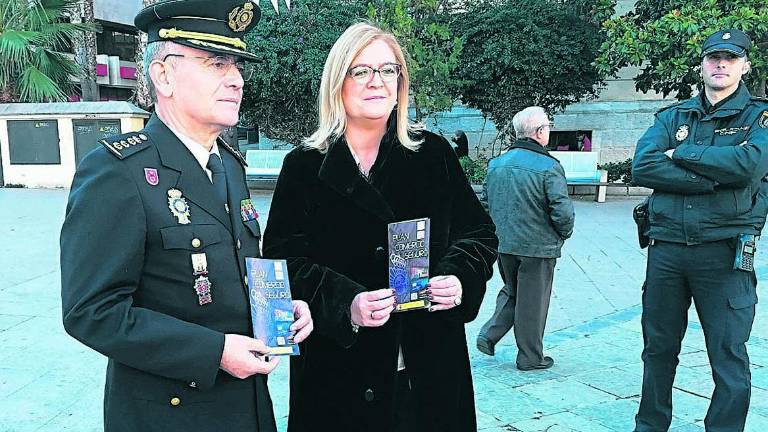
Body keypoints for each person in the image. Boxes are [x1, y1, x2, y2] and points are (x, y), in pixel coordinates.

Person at [59, 1, 313, 431]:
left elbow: (229, 273)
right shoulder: (119, 171)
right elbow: (92, 310)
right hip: (170, 413)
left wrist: (279, 309)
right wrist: (213, 352)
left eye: (237, 65)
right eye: (216, 63)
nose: (236, 79)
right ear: (164, 76)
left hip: (246, 407)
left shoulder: (228, 165)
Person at [262, 22, 498, 432]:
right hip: (337, 371)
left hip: (428, 368)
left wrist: (459, 277)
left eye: (388, 70)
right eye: (362, 70)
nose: (377, 82)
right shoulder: (303, 167)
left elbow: (478, 234)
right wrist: (344, 303)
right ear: (338, 80)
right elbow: (281, 261)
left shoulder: (432, 155)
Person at [632, 28, 768, 432]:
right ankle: (650, 425)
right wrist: (714, 177)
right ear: (703, 64)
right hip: (668, 250)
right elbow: (643, 166)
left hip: (724, 252)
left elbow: (750, 167)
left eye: (730, 58)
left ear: (744, 65)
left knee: (728, 354)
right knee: (657, 349)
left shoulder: (758, 117)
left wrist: (684, 154)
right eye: (713, 57)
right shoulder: (673, 116)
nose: (720, 65)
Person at [476, 106, 575, 370]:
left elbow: (485, 204)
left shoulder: (497, 164)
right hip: (537, 245)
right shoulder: (549, 166)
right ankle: (530, 357)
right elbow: (561, 209)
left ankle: (490, 333)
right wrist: (563, 233)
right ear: (540, 132)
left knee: (512, 291)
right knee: (533, 300)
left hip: (504, 243)